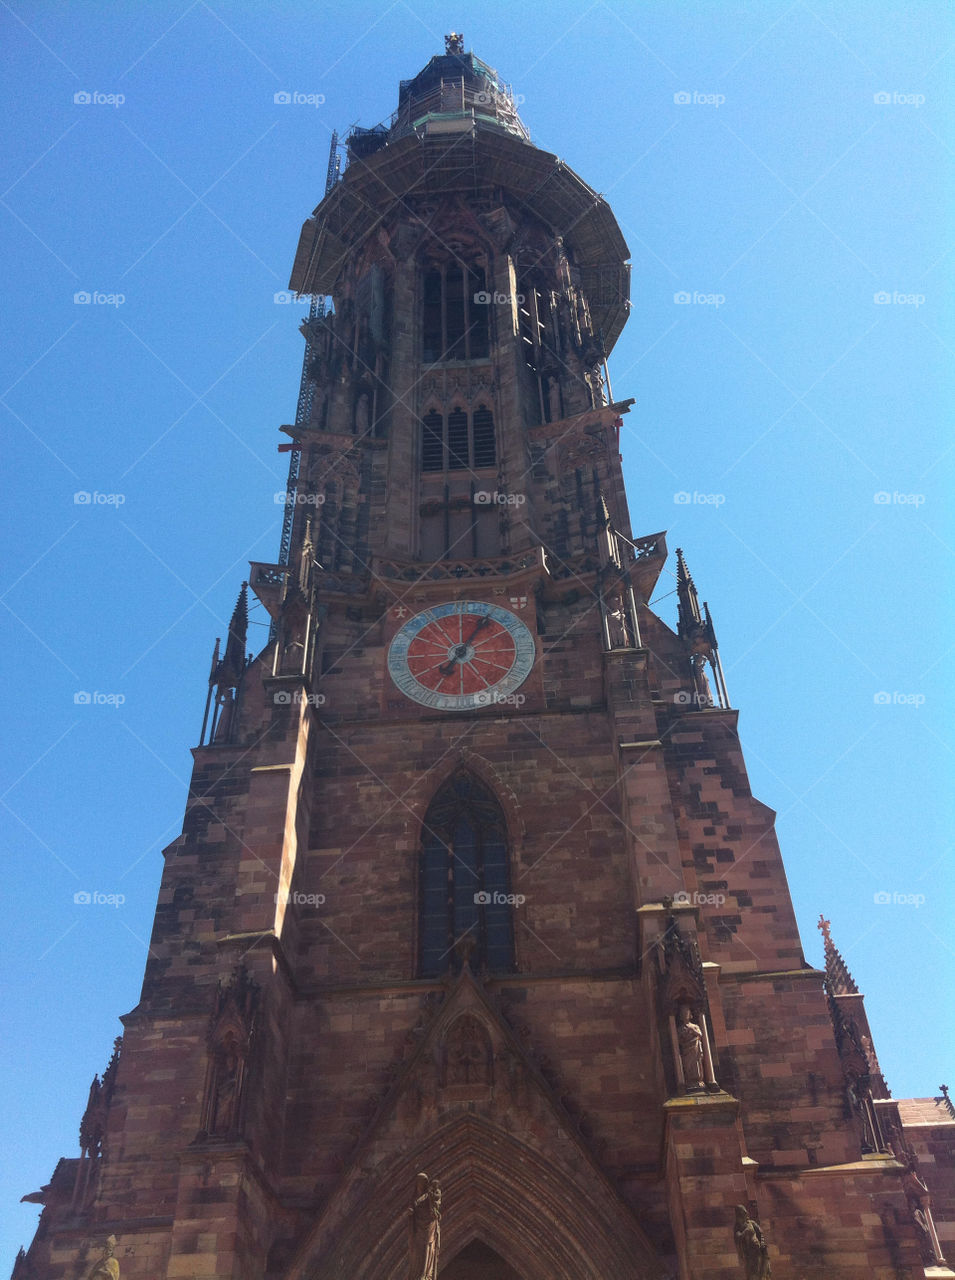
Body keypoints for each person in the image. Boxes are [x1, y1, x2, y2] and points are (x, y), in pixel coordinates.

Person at [409, 1173, 441, 1280]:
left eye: (424, 1182)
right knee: (417, 1249)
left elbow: (435, 1206)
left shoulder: (429, 1195)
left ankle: (425, 1273)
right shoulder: (415, 1197)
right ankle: (419, 1273)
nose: (422, 1184)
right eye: (420, 1182)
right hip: (419, 1227)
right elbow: (412, 1207)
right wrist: (411, 1212)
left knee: (428, 1246)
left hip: (429, 1225)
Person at [677, 1005, 705, 1091]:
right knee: (688, 1065)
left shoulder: (695, 1026)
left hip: (695, 1049)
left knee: (697, 1064)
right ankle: (689, 1081)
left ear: (690, 1015)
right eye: (683, 1013)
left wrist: (693, 1031)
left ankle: (699, 1080)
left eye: (687, 1013)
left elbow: (700, 1034)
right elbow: (679, 1040)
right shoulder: (681, 1028)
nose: (685, 1015)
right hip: (686, 1050)